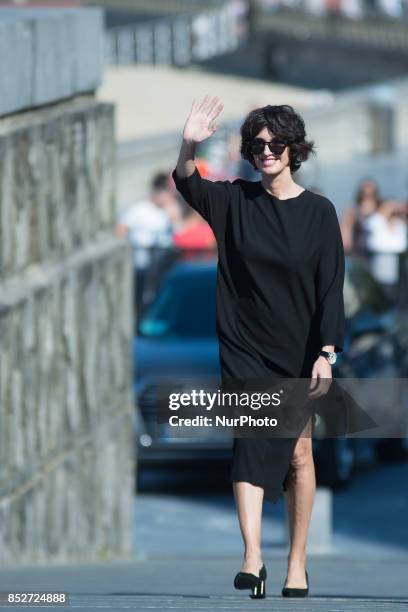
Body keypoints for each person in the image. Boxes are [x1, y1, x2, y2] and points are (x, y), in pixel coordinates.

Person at [172, 96, 345, 599]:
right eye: (258, 144)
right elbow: (187, 180)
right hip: (244, 347)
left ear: (294, 148)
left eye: (275, 143)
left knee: (297, 455)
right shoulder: (233, 202)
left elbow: (330, 287)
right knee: (249, 441)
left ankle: (296, 563)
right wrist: (189, 141)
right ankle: (252, 557)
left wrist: (327, 353)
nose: (266, 151)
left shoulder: (319, 212)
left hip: (299, 349)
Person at [116, 172, 178, 313]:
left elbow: (178, 234)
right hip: (141, 267)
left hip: (161, 267)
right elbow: (121, 231)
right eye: (169, 192)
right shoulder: (139, 210)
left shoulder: (168, 212)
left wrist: (174, 214)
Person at [340, 178, 381, 258]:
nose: (367, 200)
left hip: (379, 252)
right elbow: (345, 235)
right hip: (359, 253)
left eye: (370, 196)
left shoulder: (382, 210)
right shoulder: (353, 211)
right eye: (365, 196)